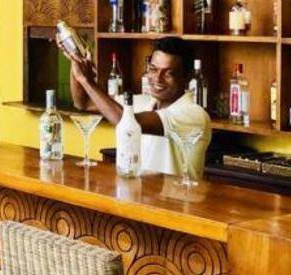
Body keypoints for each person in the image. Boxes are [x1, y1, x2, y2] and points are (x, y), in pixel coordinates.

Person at [64, 35, 212, 178]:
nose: (157, 79)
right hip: (138, 192)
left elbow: (127, 122)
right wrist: (75, 61)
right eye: (153, 69)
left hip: (175, 195)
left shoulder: (194, 114)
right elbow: (84, 103)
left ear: (187, 77)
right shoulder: (143, 102)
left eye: (168, 73)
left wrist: (85, 80)